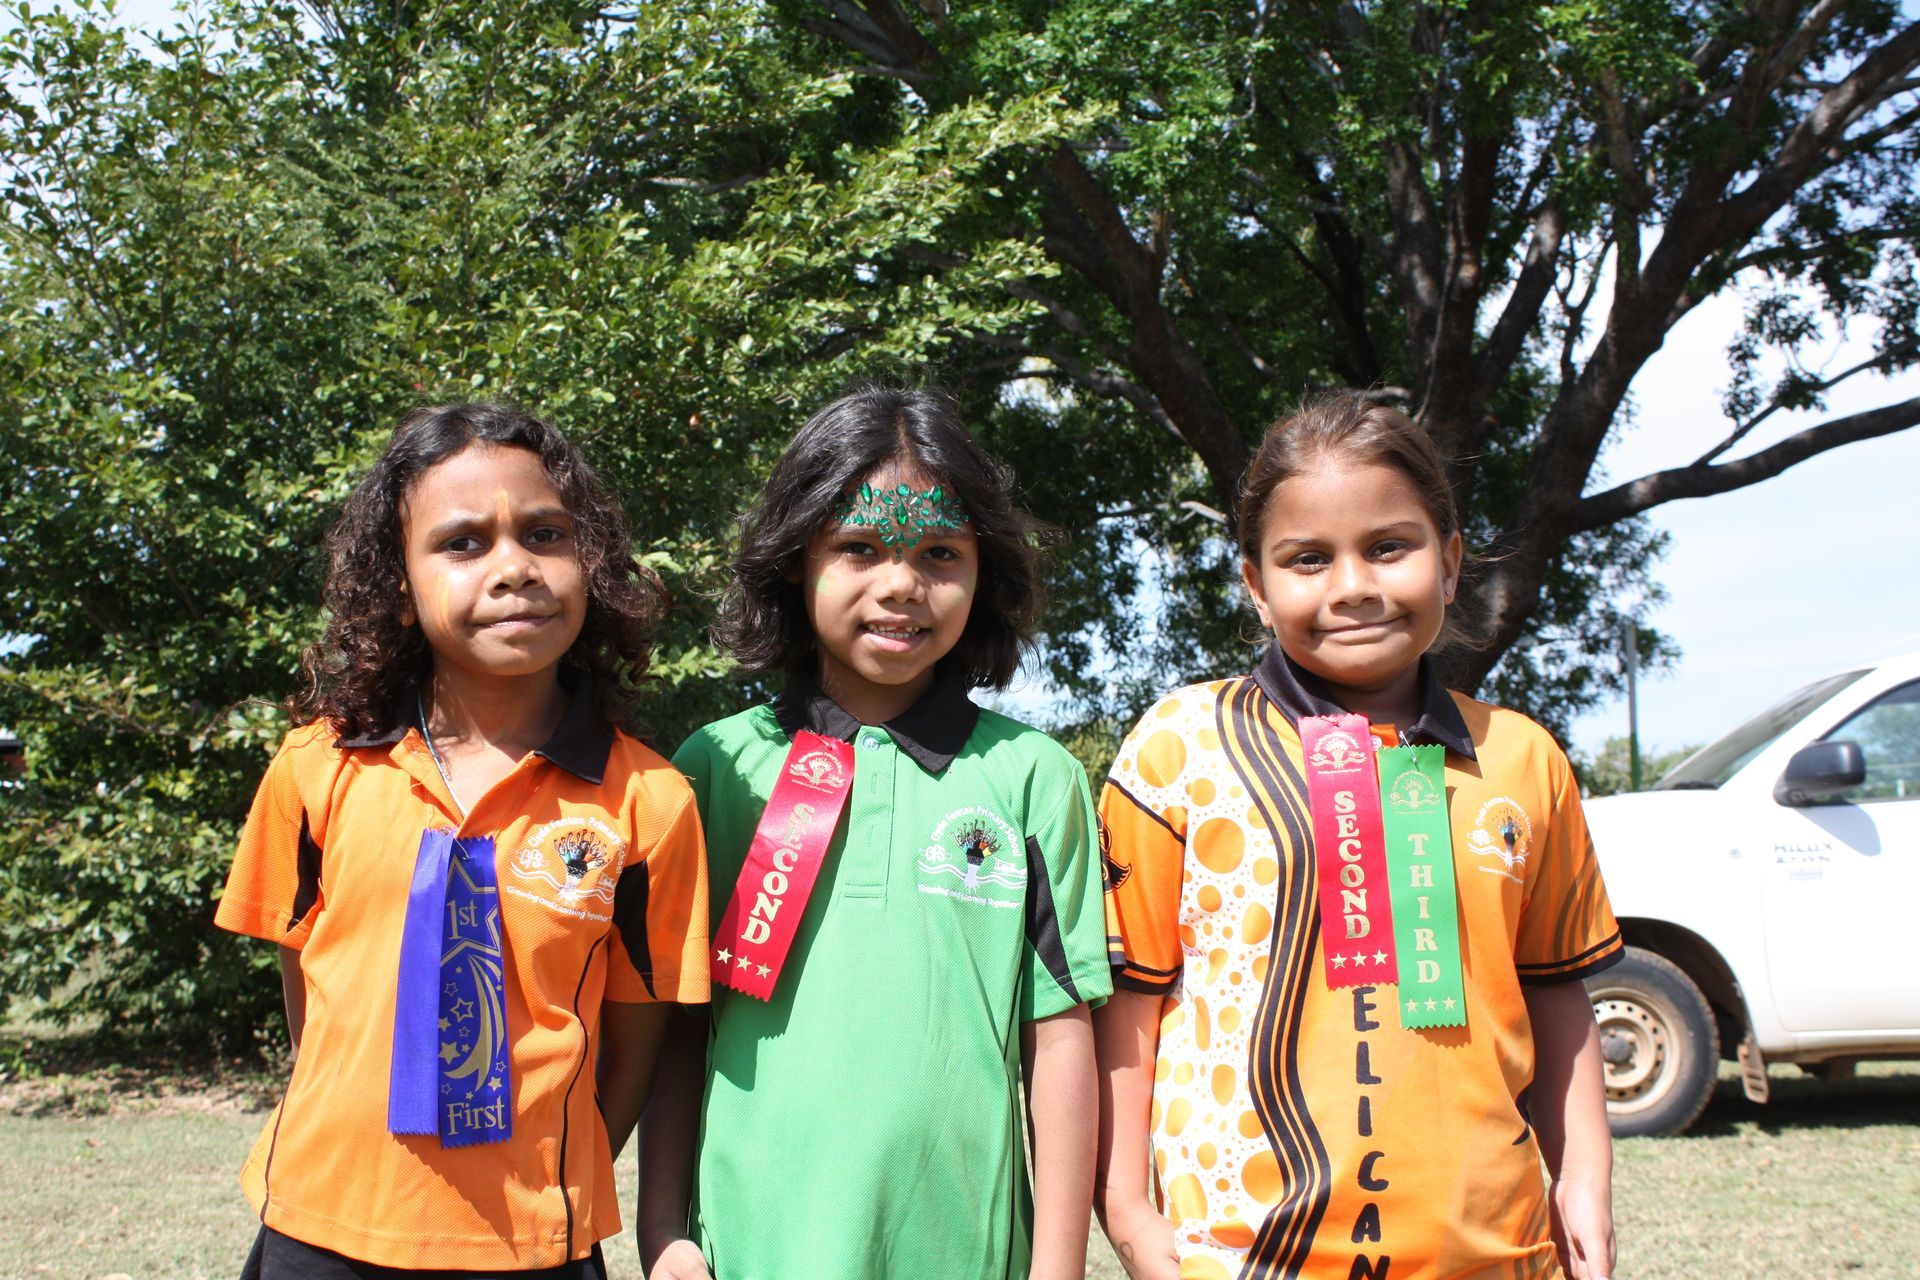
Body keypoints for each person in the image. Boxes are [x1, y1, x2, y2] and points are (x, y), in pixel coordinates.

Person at [1095, 393, 1621, 1280]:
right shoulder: (1177, 749)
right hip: (1243, 1255)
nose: (1353, 586)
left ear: (1450, 563)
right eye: (1307, 559)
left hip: (1495, 1251)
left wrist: (1585, 1181)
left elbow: (1557, 993)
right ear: (1256, 587)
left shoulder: (1525, 760)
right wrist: (1126, 1209)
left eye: (1389, 547)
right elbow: (1127, 1004)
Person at [215, 403, 709, 1279]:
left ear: (589, 568)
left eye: (546, 534)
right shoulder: (314, 769)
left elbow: (638, 1039)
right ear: (398, 590)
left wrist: (539, 1164)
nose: (514, 568)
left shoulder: (651, 805)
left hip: (535, 1246)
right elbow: (310, 990)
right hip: (317, 1229)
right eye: (463, 543)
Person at [641, 386, 1112, 1280]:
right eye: (859, 549)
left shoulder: (1033, 780)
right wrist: (662, 1230)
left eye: (940, 552)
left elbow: (1061, 1037)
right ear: (794, 561)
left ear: (985, 572)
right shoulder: (715, 769)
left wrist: (1058, 1270)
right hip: (753, 1251)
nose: (902, 584)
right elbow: (680, 1023)